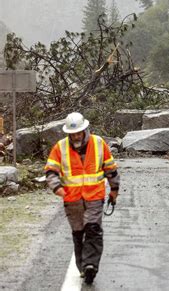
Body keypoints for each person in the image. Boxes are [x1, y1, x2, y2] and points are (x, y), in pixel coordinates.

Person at [44, 112, 120, 285]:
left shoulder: (99, 143)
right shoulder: (60, 147)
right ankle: (82, 267)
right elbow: (50, 171)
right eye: (73, 134)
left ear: (85, 129)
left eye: (79, 132)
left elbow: (111, 168)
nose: (76, 136)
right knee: (78, 234)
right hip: (72, 200)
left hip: (94, 197)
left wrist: (114, 190)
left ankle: (90, 265)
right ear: (68, 134)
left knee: (93, 230)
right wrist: (57, 187)